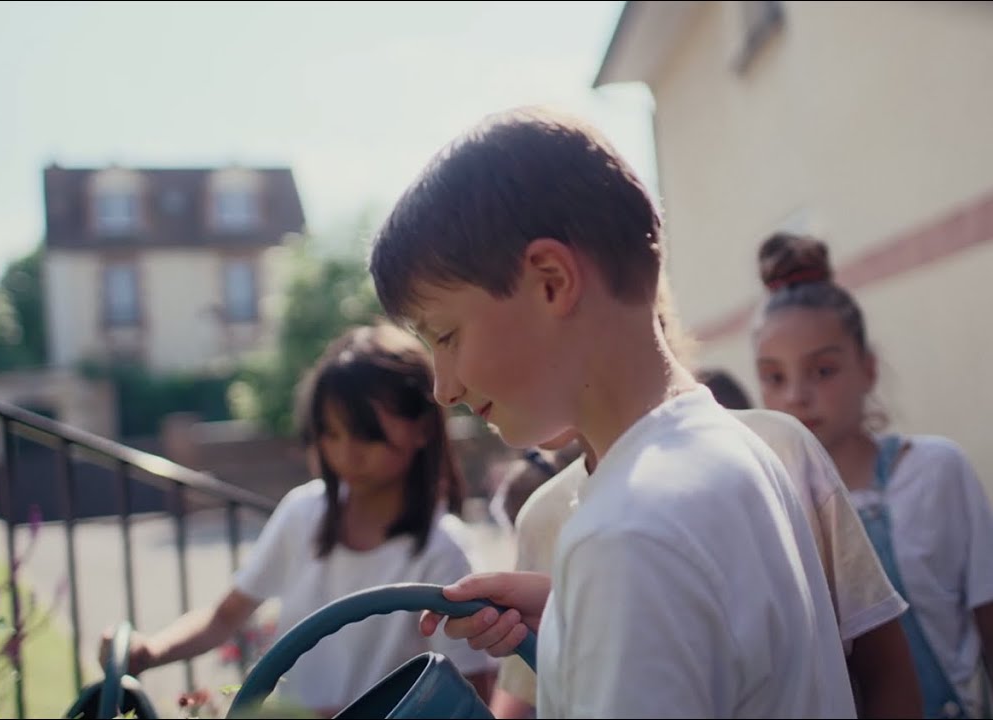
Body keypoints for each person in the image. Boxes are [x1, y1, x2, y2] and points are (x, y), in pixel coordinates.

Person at [367, 105, 856, 718]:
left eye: (445, 335)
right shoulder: (734, 453)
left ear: (551, 281)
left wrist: (607, 592)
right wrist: (578, 613)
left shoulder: (624, 535)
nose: (442, 390)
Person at [489, 298, 921, 720]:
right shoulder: (543, 517)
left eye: (452, 335)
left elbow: (885, 671)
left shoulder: (777, 447)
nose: (448, 389)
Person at [97, 323, 495, 717]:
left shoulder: (445, 553)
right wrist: (150, 651)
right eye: (331, 434)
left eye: (367, 435)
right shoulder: (303, 513)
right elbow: (224, 617)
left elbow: (468, 693)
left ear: (423, 428)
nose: (345, 453)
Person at [751, 231, 993, 718]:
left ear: (868, 369)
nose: (796, 396)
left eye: (822, 371)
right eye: (774, 377)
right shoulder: (766, 503)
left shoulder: (935, 472)